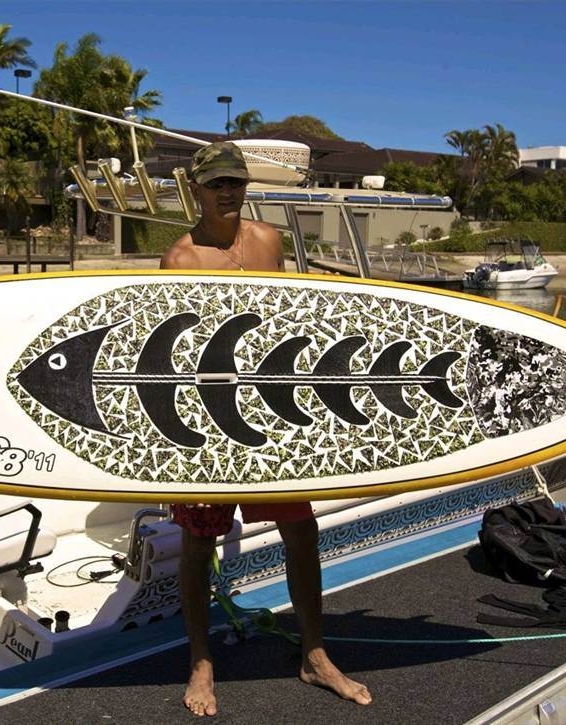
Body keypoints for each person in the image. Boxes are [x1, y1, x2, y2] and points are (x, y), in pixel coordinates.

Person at [160, 141, 373, 717]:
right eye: (217, 184)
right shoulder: (181, 260)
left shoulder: (268, 241)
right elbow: (177, 353)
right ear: (196, 189)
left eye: (236, 182)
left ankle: (315, 655)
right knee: (199, 541)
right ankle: (201, 662)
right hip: (209, 417)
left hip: (269, 409)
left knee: (301, 531)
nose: (228, 192)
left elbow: (288, 321)